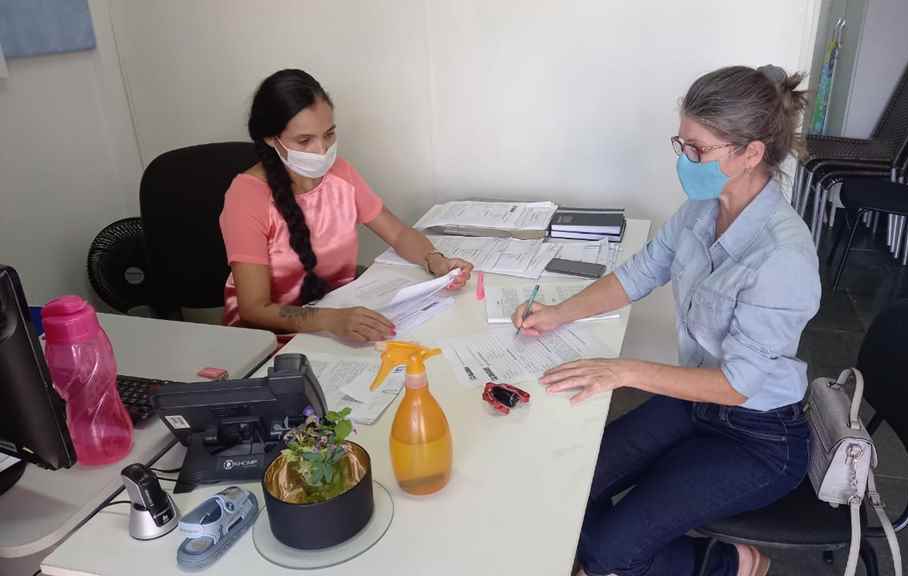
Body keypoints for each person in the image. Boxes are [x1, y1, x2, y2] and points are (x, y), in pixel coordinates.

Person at [514, 65, 821, 576]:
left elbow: (738, 385)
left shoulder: (783, 257)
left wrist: (624, 371)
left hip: (758, 436)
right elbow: (640, 272)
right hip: (694, 404)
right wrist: (557, 314)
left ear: (751, 154)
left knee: (608, 555)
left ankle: (734, 564)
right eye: (682, 144)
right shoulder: (702, 208)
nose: (686, 160)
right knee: (562, 487)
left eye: (699, 150)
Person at [220, 69, 472, 341]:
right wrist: (330, 320)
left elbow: (397, 233)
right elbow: (254, 309)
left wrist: (435, 261)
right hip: (269, 339)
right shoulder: (246, 196)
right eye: (304, 140)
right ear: (271, 139)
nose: (321, 150)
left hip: (337, 314)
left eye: (328, 134)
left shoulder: (341, 174)